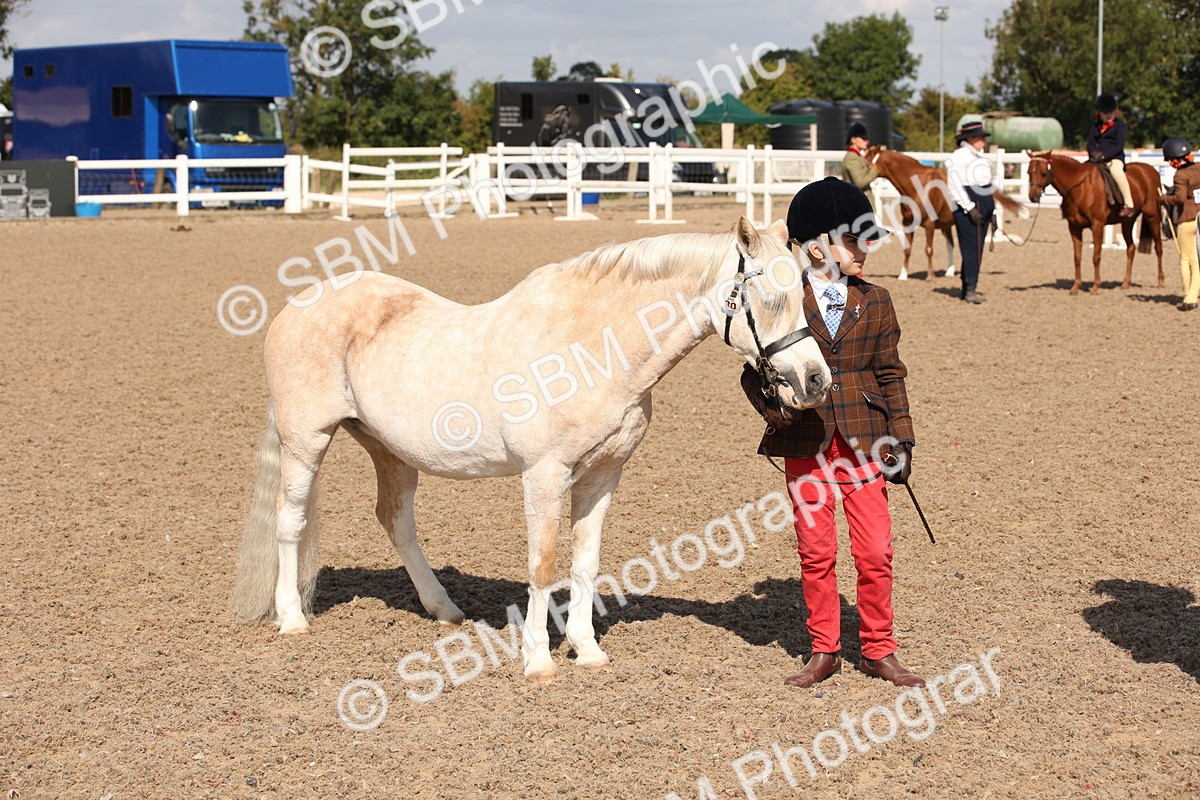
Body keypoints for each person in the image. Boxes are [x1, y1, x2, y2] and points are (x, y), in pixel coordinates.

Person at [740, 176, 924, 690]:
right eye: (856, 239)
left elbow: (891, 372)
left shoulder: (879, 300)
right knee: (816, 552)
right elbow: (751, 371)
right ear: (818, 246)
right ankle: (825, 649)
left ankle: (879, 649)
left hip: (867, 439)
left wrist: (903, 438)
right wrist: (771, 413)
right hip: (808, 440)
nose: (868, 248)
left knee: (875, 552)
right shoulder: (785, 300)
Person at [946, 121, 995, 304]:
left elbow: (986, 185)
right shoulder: (960, 156)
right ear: (971, 138)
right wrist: (969, 207)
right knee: (971, 249)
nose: (983, 140)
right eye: (981, 137)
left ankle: (969, 286)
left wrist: (993, 210)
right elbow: (954, 185)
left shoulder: (978, 156)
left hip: (982, 202)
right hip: (970, 204)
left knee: (978, 248)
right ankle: (969, 288)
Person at [1159, 137, 1200, 311]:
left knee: (1186, 258)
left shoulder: (1181, 175)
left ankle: (1189, 296)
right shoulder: (1198, 168)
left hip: (1187, 220)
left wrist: (1163, 199)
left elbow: (1180, 198)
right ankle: (1194, 292)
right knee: (1197, 258)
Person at [1087, 92, 1135, 217]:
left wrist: (1103, 155)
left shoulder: (1121, 126)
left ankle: (1129, 204)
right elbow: (1090, 143)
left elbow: (1118, 145)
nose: (1108, 115)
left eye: (1111, 112)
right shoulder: (1095, 126)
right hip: (1096, 159)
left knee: (1116, 172)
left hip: (1114, 158)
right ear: (1100, 113)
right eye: (1105, 113)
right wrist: (1093, 153)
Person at [841, 122, 880, 209]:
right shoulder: (852, 158)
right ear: (853, 139)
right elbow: (859, 183)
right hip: (859, 206)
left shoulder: (857, 157)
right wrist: (874, 171)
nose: (867, 141)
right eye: (863, 138)